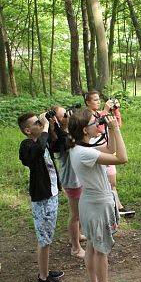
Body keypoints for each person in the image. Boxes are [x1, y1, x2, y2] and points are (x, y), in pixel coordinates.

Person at [68, 109, 127, 282]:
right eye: (96, 123)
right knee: (101, 249)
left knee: (93, 246)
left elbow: (110, 150)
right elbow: (121, 158)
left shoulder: (79, 148)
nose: (99, 125)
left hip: (90, 203)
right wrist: (116, 129)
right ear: (85, 130)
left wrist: (110, 130)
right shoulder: (84, 153)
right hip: (98, 204)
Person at [18, 112, 64, 282]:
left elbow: (61, 144)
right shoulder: (27, 145)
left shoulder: (43, 141)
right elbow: (36, 152)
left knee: (48, 235)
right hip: (42, 198)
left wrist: (52, 125)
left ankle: (44, 269)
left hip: (51, 194)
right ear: (28, 130)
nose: (41, 123)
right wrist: (45, 128)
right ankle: (43, 277)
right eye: (37, 122)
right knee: (44, 238)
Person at [84, 91, 135, 218]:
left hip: (107, 147)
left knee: (112, 182)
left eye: (98, 99)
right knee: (104, 182)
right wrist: (106, 110)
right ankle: (113, 208)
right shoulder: (87, 116)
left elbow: (116, 124)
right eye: (95, 100)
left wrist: (116, 110)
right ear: (87, 102)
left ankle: (118, 207)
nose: (98, 102)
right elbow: (98, 129)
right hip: (96, 149)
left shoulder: (99, 114)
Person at [50, 106, 85, 259]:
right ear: (57, 120)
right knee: (75, 214)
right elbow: (70, 141)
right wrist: (61, 127)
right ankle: (75, 247)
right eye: (64, 115)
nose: (68, 115)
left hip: (79, 177)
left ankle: (79, 234)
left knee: (81, 211)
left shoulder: (68, 132)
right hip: (72, 180)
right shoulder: (59, 138)